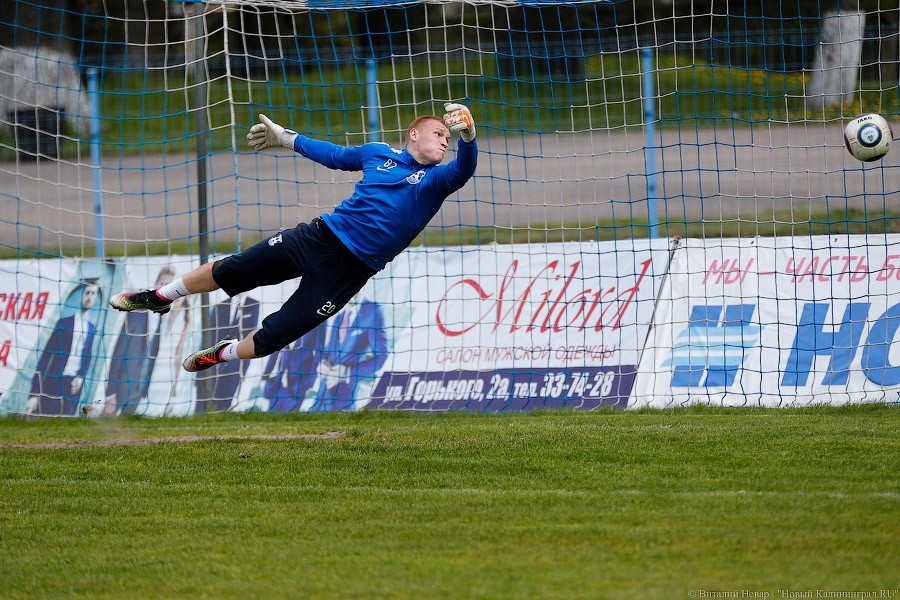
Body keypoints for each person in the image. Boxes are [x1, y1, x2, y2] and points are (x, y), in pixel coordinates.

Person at [109, 102, 477, 374]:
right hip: (318, 238)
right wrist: (287, 138)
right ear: (414, 134)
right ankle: (159, 297)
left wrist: (468, 135)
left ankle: (221, 353)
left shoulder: (436, 181)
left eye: (448, 138)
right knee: (232, 268)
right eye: (439, 134)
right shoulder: (378, 154)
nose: (445, 141)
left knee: (273, 338)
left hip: (349, 272)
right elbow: (334, 155)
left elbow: (464, 169)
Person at [26, 282, 100, 416]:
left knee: (66, 421)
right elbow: (46, 356)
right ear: (81, 296)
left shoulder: (91, 328)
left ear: (95, 298)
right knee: (47, 418)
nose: (89, 297)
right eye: (87, 293)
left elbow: (88, 356)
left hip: (74, 387)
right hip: (55, 383)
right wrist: (34, 393)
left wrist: (81, 376)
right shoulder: (64, 323)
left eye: (93, 293)